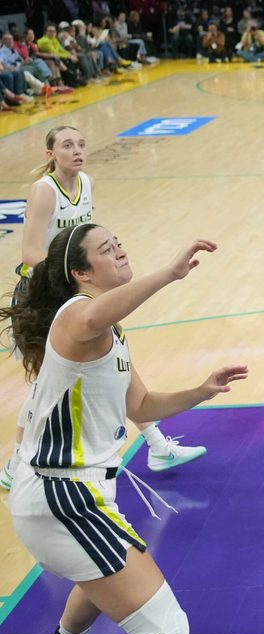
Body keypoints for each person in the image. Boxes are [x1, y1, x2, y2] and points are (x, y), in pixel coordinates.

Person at [0, 223, 247, 634]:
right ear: (81, 273)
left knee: (106, 571)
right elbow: (91, 319)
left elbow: (141, 405)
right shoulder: (76, 314)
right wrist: (170, 273)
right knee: (166, 629)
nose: (119, 252)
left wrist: (200, 391)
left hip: (74, 493)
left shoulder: (110, 332)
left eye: (119, 244)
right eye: (106, 250)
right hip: (63, 496)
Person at [1, 127, 207, 492]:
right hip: (45, 292)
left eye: (81, 144)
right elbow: (30, 253)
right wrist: (71, 274)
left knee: (113, 362)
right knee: (50, 381)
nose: (77, 151)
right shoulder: (44, 191)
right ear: (51, 154)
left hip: (75, 287)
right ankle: (16, 462)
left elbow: (84, 242)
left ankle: (156, 445)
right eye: (67, 145)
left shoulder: (87, 183)